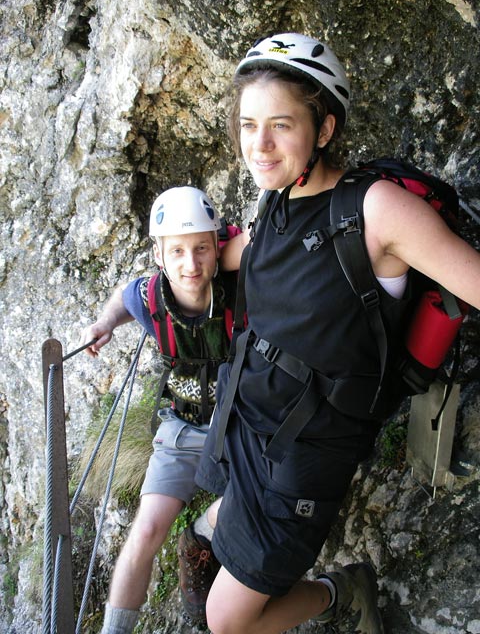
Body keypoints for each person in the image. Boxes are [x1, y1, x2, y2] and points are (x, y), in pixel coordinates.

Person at [176, 33, 480, 634]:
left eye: (281, 125)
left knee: (224, 624)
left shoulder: (376, 211)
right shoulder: (280, 198)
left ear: (325, 128)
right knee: (205, 540)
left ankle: (343, 591)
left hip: (305, 451)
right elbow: (256, 253)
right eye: (247, 124)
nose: (258, 146)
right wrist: (177, 273)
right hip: (246, 419)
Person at [81, 186, 238, 633]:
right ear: (160, 254)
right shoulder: (151, 299)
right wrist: (104, 324)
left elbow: (267, 245)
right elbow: (123, 297)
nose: (191, 265)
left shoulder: (241, 289)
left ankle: (203, 532)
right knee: (144, 534)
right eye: (178, 252)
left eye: (202, 249)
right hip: (182, 425)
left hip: (240, 428)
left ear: (218, 246)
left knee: (259, 496)